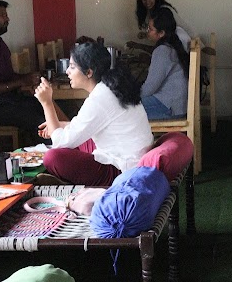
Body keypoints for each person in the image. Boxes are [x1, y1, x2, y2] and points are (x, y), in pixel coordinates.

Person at [34, 42, 153, 186]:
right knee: (78, 138)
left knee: (52, 157)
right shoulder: (111, 87)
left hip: (122, 170)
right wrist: (60, 125)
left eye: (72, 67)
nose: (67, 72)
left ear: (89, 72)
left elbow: (59, 143)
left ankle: (69, 184)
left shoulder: (100, 98)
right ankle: (67, 180)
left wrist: (47, 102)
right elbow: (88, 124)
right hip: (132, 159)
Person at [0, 0, 65, 145]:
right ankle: (53, 151)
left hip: (9, 100)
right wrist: (21, 81)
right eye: (2, 15)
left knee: (46, 105)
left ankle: (63, 145)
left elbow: (9, 77)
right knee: (36, 119)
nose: (7, 19)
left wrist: (28, 78)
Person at [140, 8, 189, 120]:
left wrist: (132, 97)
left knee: (124, 109)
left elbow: (150, 87)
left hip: (169, 107)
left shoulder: (162, 50)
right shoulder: (173, 45)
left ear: (161, 33)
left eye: (150, 29)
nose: (147, 31)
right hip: (177, 104)